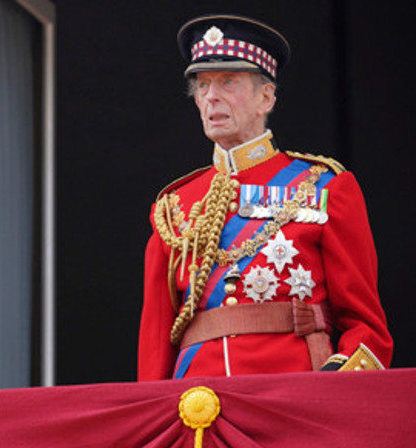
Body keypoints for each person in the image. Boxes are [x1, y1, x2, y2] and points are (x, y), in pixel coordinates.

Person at [138, 15, 393, 380]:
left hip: (293, 401)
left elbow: (367, 330)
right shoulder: (174, 205)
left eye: (228, 82)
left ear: (266, 97)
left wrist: (334, 383)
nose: (211, 96)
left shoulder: (324, 187)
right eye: (203, 85)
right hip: (196, 405)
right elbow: (155, 344)